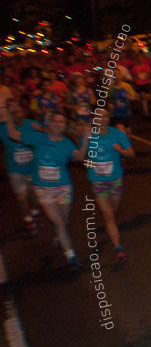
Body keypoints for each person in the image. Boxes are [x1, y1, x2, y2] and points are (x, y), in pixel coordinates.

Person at [4, 110, 89, 270]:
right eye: (55, 121)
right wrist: (8, 117)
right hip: (43, 189)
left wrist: (85, 139)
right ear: (49, 124)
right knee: (57, 221)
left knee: (63, 221)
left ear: (64, 126)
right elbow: (13, 134)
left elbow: (79, 157)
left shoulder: (66, 143)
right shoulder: (38, 137)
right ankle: (72, 257)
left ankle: (59, 235)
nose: (58, 124)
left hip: (63, 188)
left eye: (61, 122)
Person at [83, 107, 134, 263]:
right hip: (97, 180)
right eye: (99, 116)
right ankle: (118, 248)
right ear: (93, 119)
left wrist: (122, 151)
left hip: (115, 179)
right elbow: (82, 158)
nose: (103, 119)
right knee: (109, 214)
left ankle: (111, 225)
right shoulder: (88, 136)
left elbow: (132, 153)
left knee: (114, 209)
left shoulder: (117, 134)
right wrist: (88, 162)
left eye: (105, 116)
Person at [0, 100, 41, 233]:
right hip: (15, 170)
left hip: (32, 167)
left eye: (18, 111)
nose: (16, 114)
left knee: (34, 194)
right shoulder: (3, 127)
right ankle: (28, 219)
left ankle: (35, 213)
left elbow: (48, 133)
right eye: (12, 113)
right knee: (22, 197)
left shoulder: (32, 125)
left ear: (23, 112)